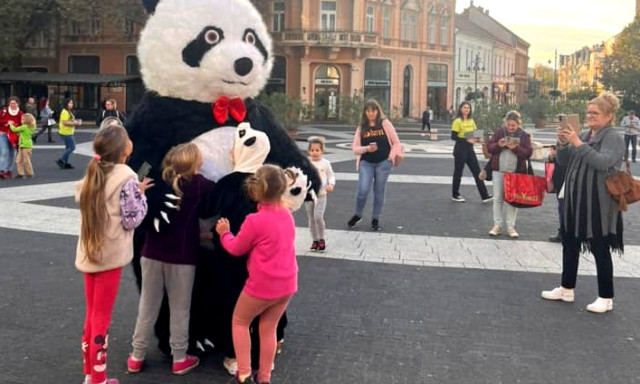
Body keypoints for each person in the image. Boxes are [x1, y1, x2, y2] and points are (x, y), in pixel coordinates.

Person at [75, 124, 152, 384]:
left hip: (89, 251)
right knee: (102, 318)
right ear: (124, 151)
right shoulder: (126, 177)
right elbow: (133, 219)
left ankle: (90, 373)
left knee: (91, 314)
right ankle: (99, 379)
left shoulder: (92, 173)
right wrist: (141, 195)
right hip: (110, 254)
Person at [127, 143, 212, 376]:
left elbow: (139, 177)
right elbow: (220, 192)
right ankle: (180, 357)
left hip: (151, 253)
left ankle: (136, 356)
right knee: (180, 309)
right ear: (195, 164)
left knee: (147, 305)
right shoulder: (199, 185)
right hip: (183, 257)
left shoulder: (160, 181)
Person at [541, 92, 626, 314]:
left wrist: (577, 142)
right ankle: (567, 288)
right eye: (588, 112)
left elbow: (603, 162)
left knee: (600, 247)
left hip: (599, 203)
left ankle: (606, 297)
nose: (590, 116)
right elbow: (564, 161)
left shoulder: (613, 138)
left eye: (595, 113)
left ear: (608, 116)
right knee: (569, 243)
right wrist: (562, 144)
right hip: (576, 200)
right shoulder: (587, 135)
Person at [215, 164, 298, 384]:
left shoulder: (254, 220)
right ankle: (264, 377)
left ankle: (243, 373)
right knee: (268, 328)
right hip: (287, 283)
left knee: (240, 322)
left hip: (262, 285)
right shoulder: (287, 215)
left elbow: (236, 248)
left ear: (255, 190)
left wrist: (224, 233)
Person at [347, 99, 402, 231]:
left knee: (379, 191)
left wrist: (390, 157)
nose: (371, 113)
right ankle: (358, 214)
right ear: (365, 112)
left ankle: (375, 218)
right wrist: (366, 149)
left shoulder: (385, 124)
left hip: (383, 162)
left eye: (373, 110)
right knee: (363, 190)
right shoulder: (362, 127)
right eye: (368, 111)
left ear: (378, 111)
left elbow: (396, 143)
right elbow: (355, 148)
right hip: (366, 162)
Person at [485, 110, 532, 238]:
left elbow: (528, 153)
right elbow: (489, 147)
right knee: (498, 198)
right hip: (498, 170)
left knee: (512, 199)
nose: (511, 128)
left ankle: (510, 226)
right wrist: (498, 145)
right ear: (505, 123)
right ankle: (497, 225)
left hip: (515, 172)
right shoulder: (499, 132)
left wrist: (515, 148)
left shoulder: (524, 136)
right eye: (509, 125)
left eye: (514, 126)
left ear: (518, 124)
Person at [450, 101, 493, 203]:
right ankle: (455, 195)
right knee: (458, 172)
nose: (467, 109)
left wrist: (479, 139)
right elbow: (453, 136)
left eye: (468, 108)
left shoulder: (471, 121)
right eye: (465, 107)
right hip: (460, 148)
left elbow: (475, 133)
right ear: (460, 109)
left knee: (477, 171)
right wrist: (466, 140)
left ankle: (484, 195)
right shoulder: (457, 121)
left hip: (470, 149)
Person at [305, 136, 335, 251]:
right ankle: (314, 240)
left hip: (321, 194)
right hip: (309, 195)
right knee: (311, 218)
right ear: (309, 151)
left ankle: (321, 238)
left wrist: (331, 184)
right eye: (312, 150)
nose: (314, 153)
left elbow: (331, 175)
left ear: (322, 151)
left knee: (318, 216)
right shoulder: (306, 163)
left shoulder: (325, 163)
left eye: (317, 150)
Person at [547, 145, 567, 243]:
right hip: (559, 181)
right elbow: (554, 164)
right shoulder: (560, 145)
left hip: (568, 180)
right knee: (561, 208)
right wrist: (552, 157)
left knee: (565, 208)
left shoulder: (575, 144)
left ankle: (566, 232)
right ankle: (563, 232)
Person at [0, 96, 23, 179]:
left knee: (12, 153)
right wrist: (6, 122)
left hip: (14, 135)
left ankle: (8, 170)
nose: (13, 105)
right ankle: (2, 170)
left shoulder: (20, 113)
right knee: (4, 151)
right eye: (11, 103)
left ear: (18, 104)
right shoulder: (4, 111)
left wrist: (15, 125)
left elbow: (22, 124)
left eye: (14, 103)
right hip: (3, 134)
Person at [9, 113, 37, 178]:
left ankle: (29, 173)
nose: (21, 120)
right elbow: (22, 133)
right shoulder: (30, 127)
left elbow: (14, 130)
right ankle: (21, 173)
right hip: (23, 145)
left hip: (25, 146)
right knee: (20, 160)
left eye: (22, 119)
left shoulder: (24, 127)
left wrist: (11, 124)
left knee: (24, 160)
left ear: (26, 120)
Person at [56, 98, 81, 169]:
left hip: (68, 131)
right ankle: (61, 160)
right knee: (72, 147)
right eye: (70, 103)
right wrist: (74, 123)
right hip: (66, 132)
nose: (71, 104)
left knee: (68, 148)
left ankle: (65, 163)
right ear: (66, 104)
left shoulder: (69, 111)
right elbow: (65, 122)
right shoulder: (65, 112)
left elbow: (69, 120)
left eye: (72, 103)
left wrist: (75, 122)